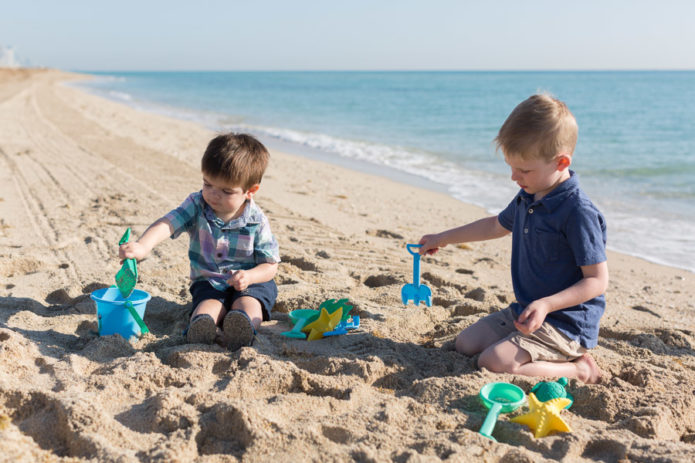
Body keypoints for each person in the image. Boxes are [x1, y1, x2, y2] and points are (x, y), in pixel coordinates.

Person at [418, 94, 607, 383]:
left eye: (523, 170)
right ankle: (525, 346)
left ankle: (580, 369)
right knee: (465, 344)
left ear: (561, 162)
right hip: (527, 313)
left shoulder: (578, 212)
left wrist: (547, 305)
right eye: (511, 167)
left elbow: (596, 281)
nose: (513, 177)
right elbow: (496, 225)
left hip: (566, 324)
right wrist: (442, 238)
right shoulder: (529, 194)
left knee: (492, 362)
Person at [119, 133, 280, 350]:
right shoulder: (197, 204)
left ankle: (242, 328)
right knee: (208, 305)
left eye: (226, 191)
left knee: (248, 303)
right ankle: (202, 327)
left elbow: (270, 265)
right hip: (209, 280)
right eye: (208, 184)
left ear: (250, 191)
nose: (213, 195)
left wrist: (250, 276)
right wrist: (143, 246)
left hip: (251, 282)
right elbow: (169, 222)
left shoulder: (256, 221)